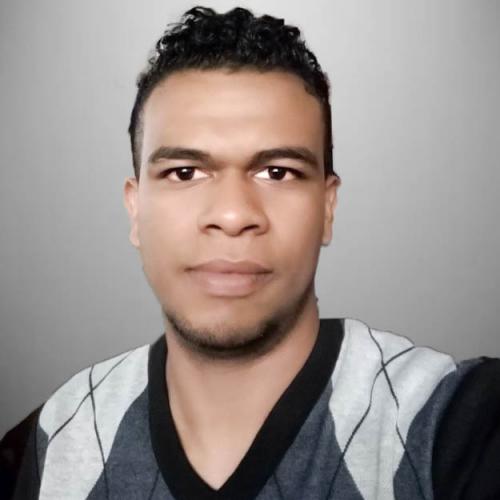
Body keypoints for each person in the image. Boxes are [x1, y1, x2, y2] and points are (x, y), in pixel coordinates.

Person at [1, 6, 499, 500]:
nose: (233, 214)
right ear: (136, 209)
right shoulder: (50, 445)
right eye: (184, 173)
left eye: (277, 172)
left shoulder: (454, 422)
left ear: (327, 208)